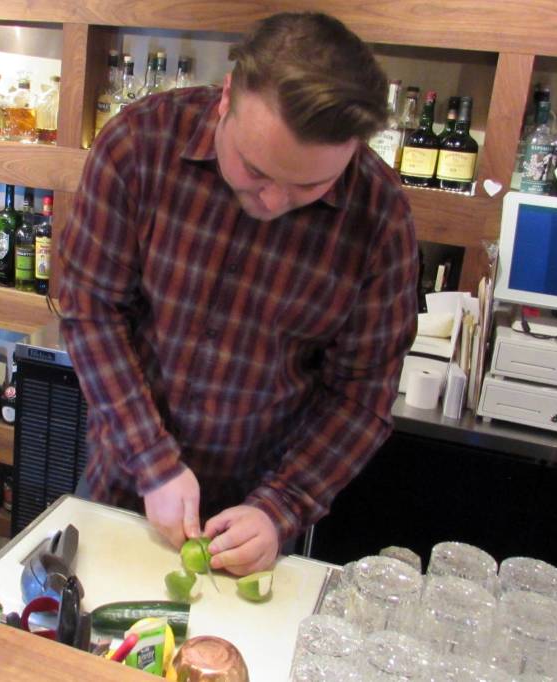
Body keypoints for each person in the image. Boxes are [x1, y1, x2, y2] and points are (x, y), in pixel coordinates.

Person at [59, 12, 418, 577]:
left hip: (259, 516)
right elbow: (90, 310)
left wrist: (282, 506)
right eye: (254, 170)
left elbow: (361, 395)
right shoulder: (139, 145)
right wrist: (153, 458)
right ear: (228, 96)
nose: (274, 201)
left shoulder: (380, 217)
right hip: (123, 478)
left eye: (309, 187)